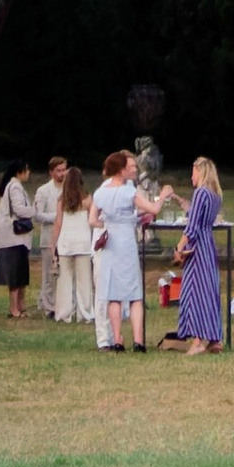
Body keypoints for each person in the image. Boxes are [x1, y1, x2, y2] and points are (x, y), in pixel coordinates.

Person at [90, 150, 156, 353]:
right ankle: (127, 340)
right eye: (130, 166)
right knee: (126, 293)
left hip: (115, 242)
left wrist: (113, 222)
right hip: (120, 242)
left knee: (113, 294)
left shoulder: (106, 191)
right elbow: (151, 209)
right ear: (121, 170)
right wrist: (162, 199)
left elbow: (95, 219)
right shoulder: (125, 190)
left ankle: (117, 339)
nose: (134, 169)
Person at [174, 157, 224, 354]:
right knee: (209, 291)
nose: (191, 176)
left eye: (193, 172)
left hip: (197, 248)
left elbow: (193, 226)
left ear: (200, 171)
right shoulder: (215, 195)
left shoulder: (201, 193)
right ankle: (214, 338)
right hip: (208, 245)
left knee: (195, 292)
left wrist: (180, 246)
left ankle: (197, 341)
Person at [0, 165, 40, 319]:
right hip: (14, 238)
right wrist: (35, 210)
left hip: (17, 239)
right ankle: (14, 308)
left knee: (20, 274)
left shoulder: (14, 185)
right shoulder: (14, 187)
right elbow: (19, 210)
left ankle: (21, 306)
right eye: (27, 170)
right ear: (19, 171)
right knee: (15, 276)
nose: (29, 173)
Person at [53, 164, 95, 325]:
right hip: (83, 243)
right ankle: (85, 313)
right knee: (84, 281)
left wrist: (53, 244)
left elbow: (58, 224)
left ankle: (64, 314)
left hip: (65, 243)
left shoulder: (61, 201)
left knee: (64, 280)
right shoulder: (87, 199)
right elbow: (92, 220)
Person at [34, 158, 66, 315]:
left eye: (63, 170)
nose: (61, 173)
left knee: (64, 274)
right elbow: (38, 215)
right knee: (48, 274)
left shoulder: (69, 188)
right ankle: (49, 307)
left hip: (66, 237)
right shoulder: (43, 190)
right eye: (58, 170)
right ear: (51, 172)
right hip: (48, 238)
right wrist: (58, 216)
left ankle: (62, 304)